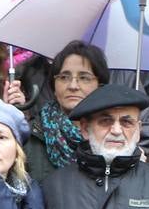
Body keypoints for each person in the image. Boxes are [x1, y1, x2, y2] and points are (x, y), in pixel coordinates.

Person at [24, 41, 105, 182]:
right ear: (54, 87)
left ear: (100, 86)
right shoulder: (31, 137)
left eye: (84, 78)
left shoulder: (114, 138)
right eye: (64, 77)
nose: (73, 86)